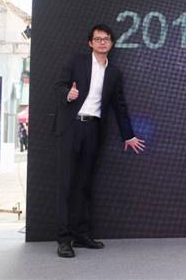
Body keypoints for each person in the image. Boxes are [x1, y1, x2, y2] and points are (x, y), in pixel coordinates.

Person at [53, 24, 146, 258]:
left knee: (85, 185)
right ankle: (64, 239)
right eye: (98, 39)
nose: (102, 42)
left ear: (112, 43)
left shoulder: (114, 73)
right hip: (71, 127)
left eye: (106, 39)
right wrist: (68, 94)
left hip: (94, 129)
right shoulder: (77, 62)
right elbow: (59, 86)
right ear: (90, 43)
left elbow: (119, 106)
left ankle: (81, 234)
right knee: (66, 184)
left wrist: (128, 135)